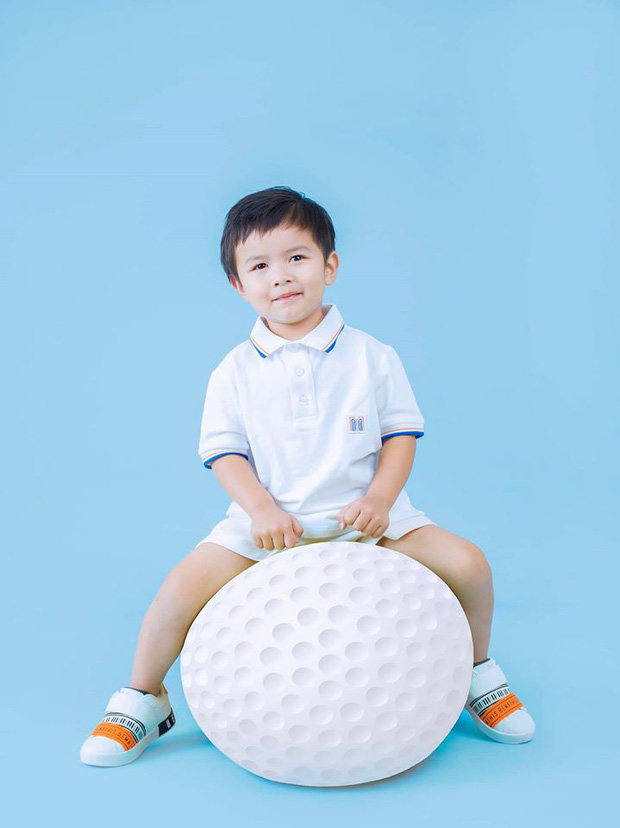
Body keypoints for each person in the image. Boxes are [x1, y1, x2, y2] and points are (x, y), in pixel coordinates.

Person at [80, 186, 535, 767]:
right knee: (177, 592)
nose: (281, 276)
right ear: (237, 285)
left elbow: (400, 436)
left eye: (297, 257)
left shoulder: (373, 355)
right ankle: (144, 699)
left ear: (330, 266)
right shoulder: (233, 371)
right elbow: (225, 454)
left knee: (469, 564)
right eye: (259, 266)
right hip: (269, 526)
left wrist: (381, 499)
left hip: (369, 519)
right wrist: (261, 511)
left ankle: (474, 671)